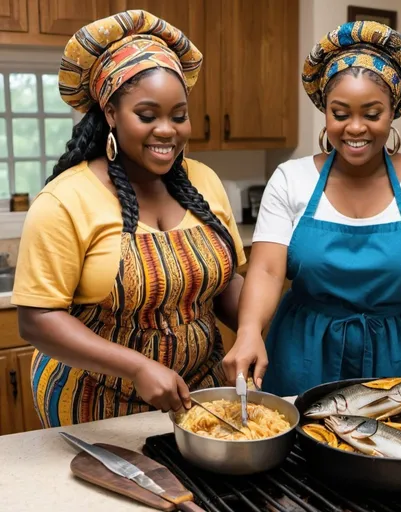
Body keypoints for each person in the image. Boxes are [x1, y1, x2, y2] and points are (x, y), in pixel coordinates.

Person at [11, 10, 246, 427]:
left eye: (179, 115)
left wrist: (255, 329)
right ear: (111, 114)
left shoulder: (205, 182)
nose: (167, 130)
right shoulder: (66, 199)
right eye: (147, 115)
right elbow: (37, 319)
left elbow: (226, 284)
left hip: (197, 396)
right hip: (94, 402)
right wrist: (136, 366)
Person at [223, 21, 401, 397]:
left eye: (372, 114)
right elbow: (268, 270)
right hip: (303, 352)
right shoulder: (291, 179)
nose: (355, 128)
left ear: (393, 112)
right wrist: (248, 331)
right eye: (340, 114)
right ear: (325, 112)